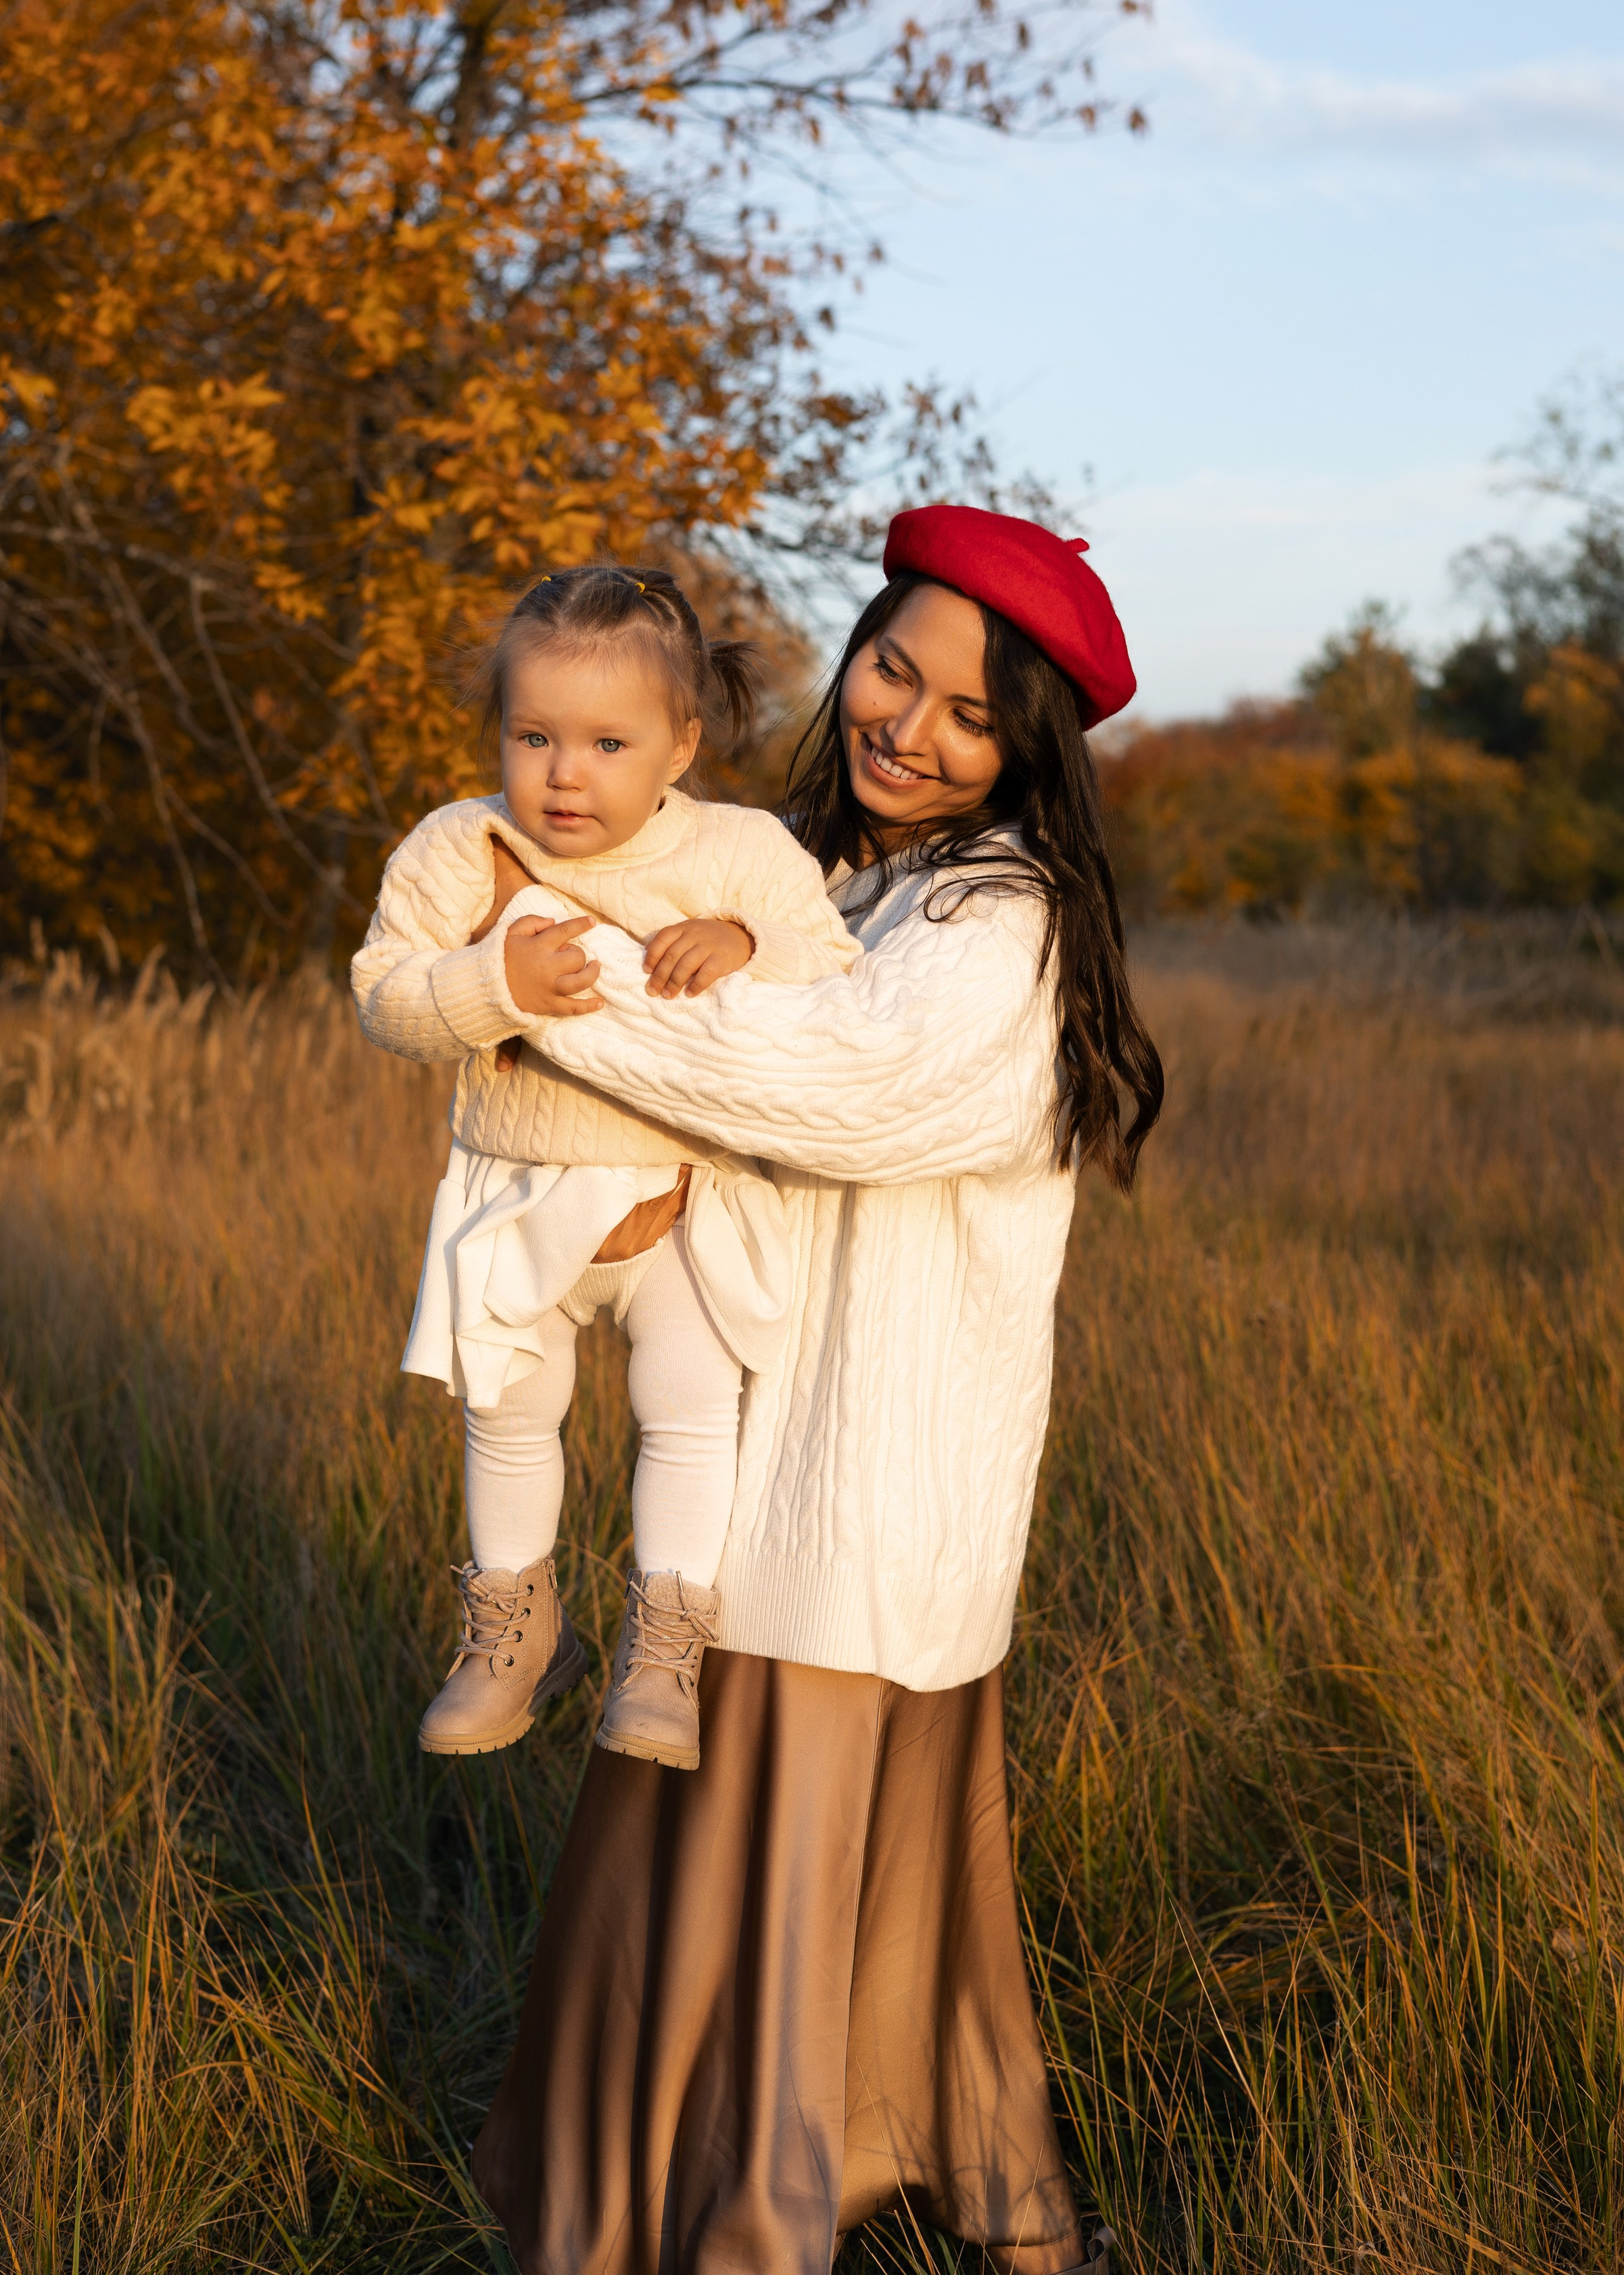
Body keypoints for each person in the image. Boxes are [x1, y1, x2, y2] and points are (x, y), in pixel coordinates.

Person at [382, 505, 1163, 2272]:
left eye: (971, 714)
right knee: (755, 1869)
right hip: (756, 1455)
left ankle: (754, 2215)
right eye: (895, 666)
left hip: (862, 1490)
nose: (910, 725)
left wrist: (530, 992)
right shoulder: (820, 866)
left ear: (1024, 745)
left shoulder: (998, 919)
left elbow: (834, 1081)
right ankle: (728, 2178)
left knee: (788, 1883)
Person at [351, 565, 859, 1770]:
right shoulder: (459, 845)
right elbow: (382, 995)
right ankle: (515, 1632)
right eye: (534, 735)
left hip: (683, 1195)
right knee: (508, 1412)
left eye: (605, 742)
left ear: (681, 745)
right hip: (514, 1190)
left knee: (687, 1411)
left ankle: (666, 1647)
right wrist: (491, 986)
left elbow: (834, 971)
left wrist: (745, 940)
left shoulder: (740, 850)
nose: (563, 773)